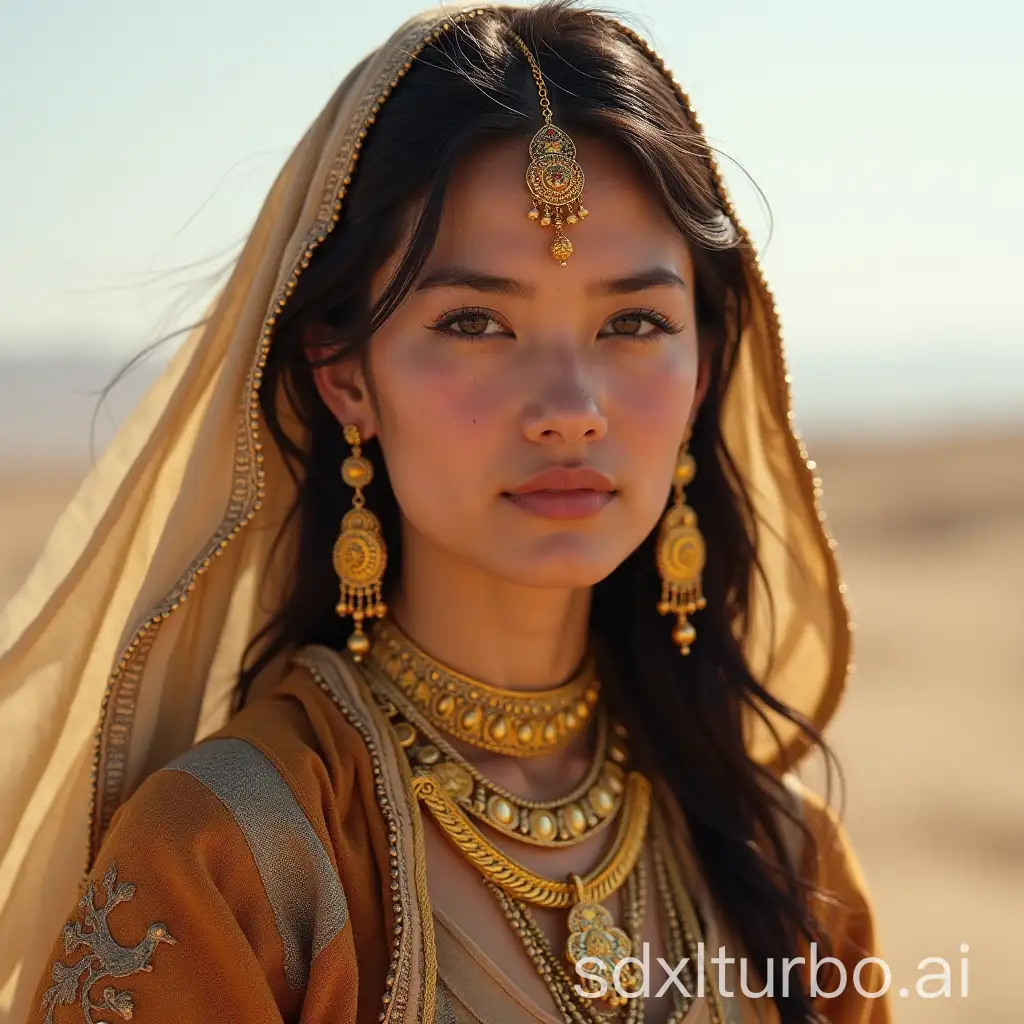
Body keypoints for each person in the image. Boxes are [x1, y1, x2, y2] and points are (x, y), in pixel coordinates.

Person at [0, 3, 891, 1022]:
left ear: (703, 372)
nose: (570, 409)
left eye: (634, 322)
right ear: (343, 376)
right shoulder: (229, 858)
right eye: (475, 321)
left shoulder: (786, 862)